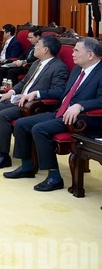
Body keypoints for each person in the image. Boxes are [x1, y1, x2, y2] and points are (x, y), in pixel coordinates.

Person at [5, 37, 102, 192]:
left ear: (90, 55)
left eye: (76, 50)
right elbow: (63, 92)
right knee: (22, 124)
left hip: (82, 118)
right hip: (61, 111)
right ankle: (27, 166)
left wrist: (80, 105)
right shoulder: (78, 69)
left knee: (39, 129)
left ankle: (54, 177)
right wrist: (38, 94)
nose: (72, 54)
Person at [0, 35, 68, 169]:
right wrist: (11, 92)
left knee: (2, 115)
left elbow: (59, 91)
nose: (34, 46)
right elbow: (24, 82)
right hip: (19, 100)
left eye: (37, 44)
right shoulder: (37, 62)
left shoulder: (58, 67)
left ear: (45, 49)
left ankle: (3, 156)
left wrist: (36, 94)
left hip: (34, 105)